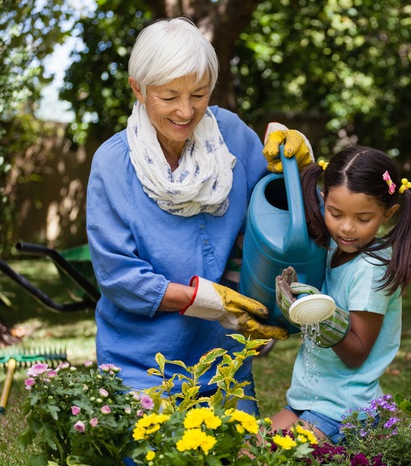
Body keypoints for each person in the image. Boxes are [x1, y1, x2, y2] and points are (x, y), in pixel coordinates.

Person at [85, 17, 313, 415]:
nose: (186, 110)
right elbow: (119, 277)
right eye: (169, 95)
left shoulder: (230, 134)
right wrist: (207, 299)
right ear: (138, 88)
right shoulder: (112, 164)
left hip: (223, 359)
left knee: (237, 457)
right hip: (141, 363)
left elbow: (278, 211)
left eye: (199, 93)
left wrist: (299, 165)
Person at [270, 145, 411, 443]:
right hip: (306, 399)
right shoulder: (334, 245)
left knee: (271, 459)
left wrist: (319, 317)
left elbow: (356, 354)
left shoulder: (370, 268)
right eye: (335, 213)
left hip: (343, 411)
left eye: (363, 219)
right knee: (245, 451)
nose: (346, 228)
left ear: (388, 214)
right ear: (324, 201)